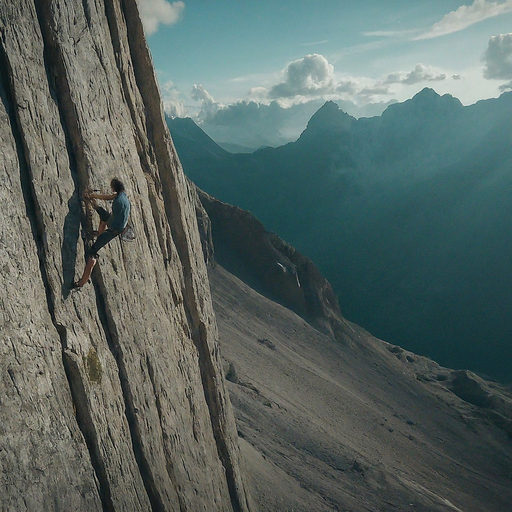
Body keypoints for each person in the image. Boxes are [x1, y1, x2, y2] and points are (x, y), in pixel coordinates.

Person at [72, 178, 130, 288]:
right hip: (117, 224)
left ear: (114, 188)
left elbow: (109, 199)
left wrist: (94, 197)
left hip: (114, 229)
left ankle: (81, 282)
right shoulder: (123, 197)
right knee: (103, 215)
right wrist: (94, 196)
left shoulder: (118, 201)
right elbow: (108, 197)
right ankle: (98, 234)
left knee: (92, 252)